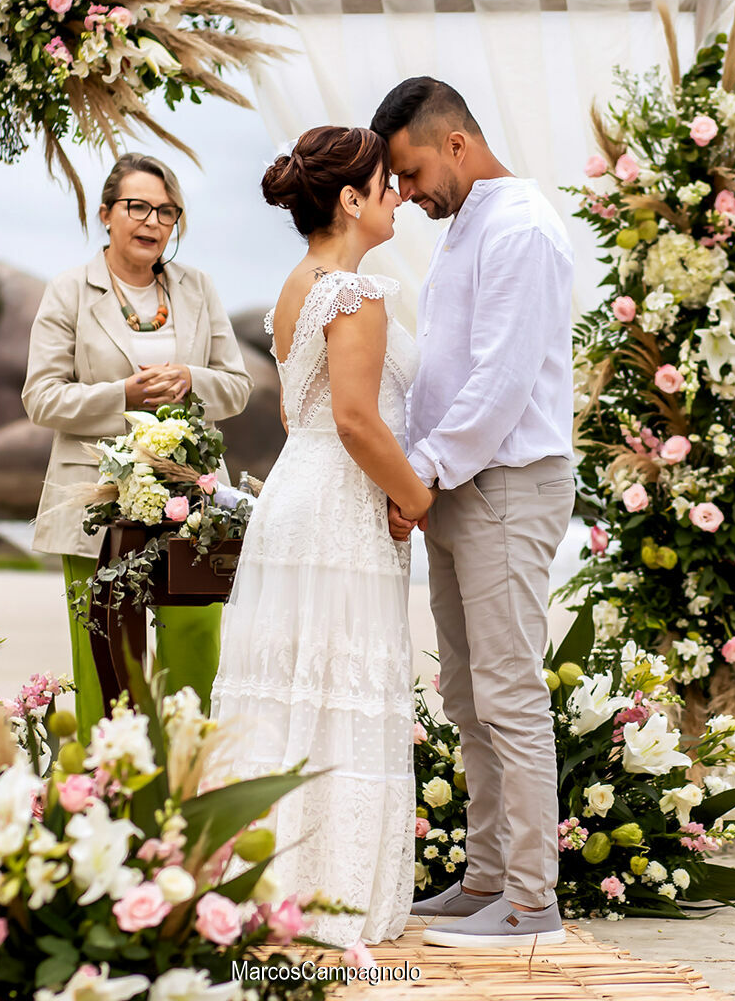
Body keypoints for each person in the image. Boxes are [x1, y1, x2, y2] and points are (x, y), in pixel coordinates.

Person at [209, 126, 425, 947]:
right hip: (338, 509)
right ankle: (328, 898)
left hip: (295, 499)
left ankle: (266, 882)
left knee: (288, 690)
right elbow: (356, 420)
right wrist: (415, 498)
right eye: (385, 184)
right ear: (350, 200)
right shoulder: (355, 294)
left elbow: (299, 418)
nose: (398, 195)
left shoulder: (298, 286)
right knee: (335, 691)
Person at [372, 77, 575, 948]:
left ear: (453, 143)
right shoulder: (467, 227)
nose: (407, 194)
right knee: (464, 693)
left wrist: (417, 476)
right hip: (459, 487)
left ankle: (533, 904)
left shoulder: (521, 226)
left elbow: (499, 382)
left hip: (504, 482)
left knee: (508, 692)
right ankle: (486, 879)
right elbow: (449, 372)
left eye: (411, 171)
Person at [23, 153, 252, 733]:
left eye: (167, 211)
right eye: (138, 207)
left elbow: (239, 388)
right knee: (105, 658)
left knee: (197, 642)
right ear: (106, 214)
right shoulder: (69, 292)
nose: (153, 221)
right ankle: (107, 795)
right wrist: (122, 394)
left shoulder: (197, 289)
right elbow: (41, 398)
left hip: (189, 499)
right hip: (95, 502)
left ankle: (187, 787)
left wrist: (192, 380)